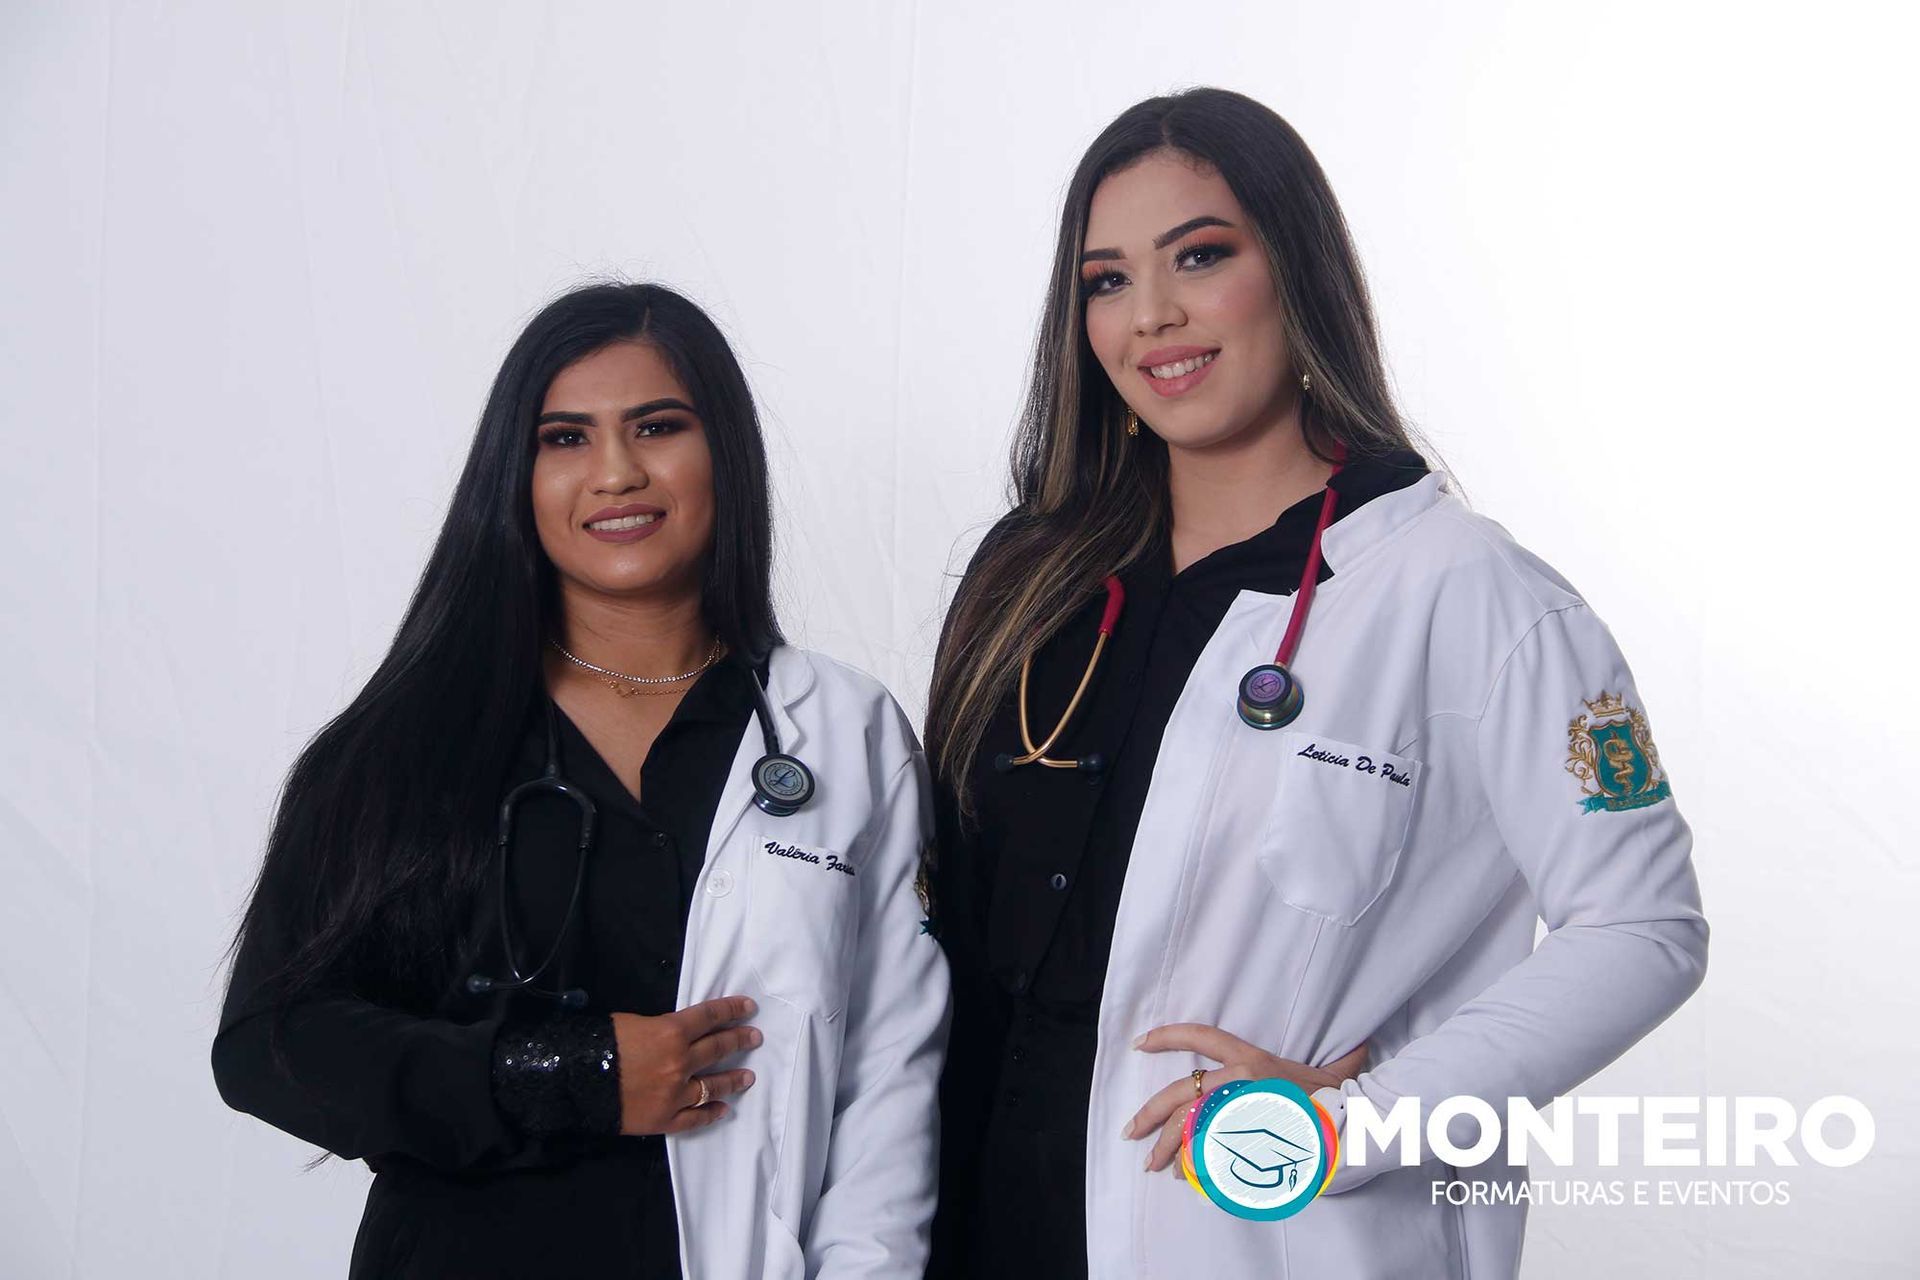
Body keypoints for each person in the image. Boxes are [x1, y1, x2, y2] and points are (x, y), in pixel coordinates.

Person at [923, 88, 1707, 1277]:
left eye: (1201, 255)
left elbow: (1646, 926)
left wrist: (1360, 1122)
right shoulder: (1028, 578)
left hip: (1259, 1235)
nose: (1155, 314)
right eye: (1108, 279)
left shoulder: (1459, 589)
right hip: (979, 1227)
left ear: (1296, 267)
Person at [213, 281, 948, 1278]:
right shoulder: (404, 742)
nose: (616, 472)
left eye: (657, 426)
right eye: (565, 438)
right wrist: (566, 1073)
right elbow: (271, 1044)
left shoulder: (841, 728)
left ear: (724, 452)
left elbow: (890, 1071)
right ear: (515, 474)